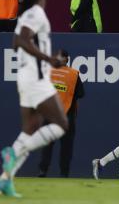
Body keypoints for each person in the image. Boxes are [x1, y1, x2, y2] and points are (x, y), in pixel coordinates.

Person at [0, 0, 68, 198]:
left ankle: (5, 180)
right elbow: (21, 41)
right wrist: (49, 60)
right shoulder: (36, 13)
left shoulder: (27, 14)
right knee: (61, 124)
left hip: (27, 77)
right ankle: (13, 153)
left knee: (30, 129)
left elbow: (16, 41)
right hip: (36, 79)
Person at [38, 49, 85, 178]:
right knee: (66, 147)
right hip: (67, 115)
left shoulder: (49, 72)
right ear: (67, 60)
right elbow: (81, 94)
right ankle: (64, 173)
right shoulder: (73, 74)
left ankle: (43, 171)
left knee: (47, 144)